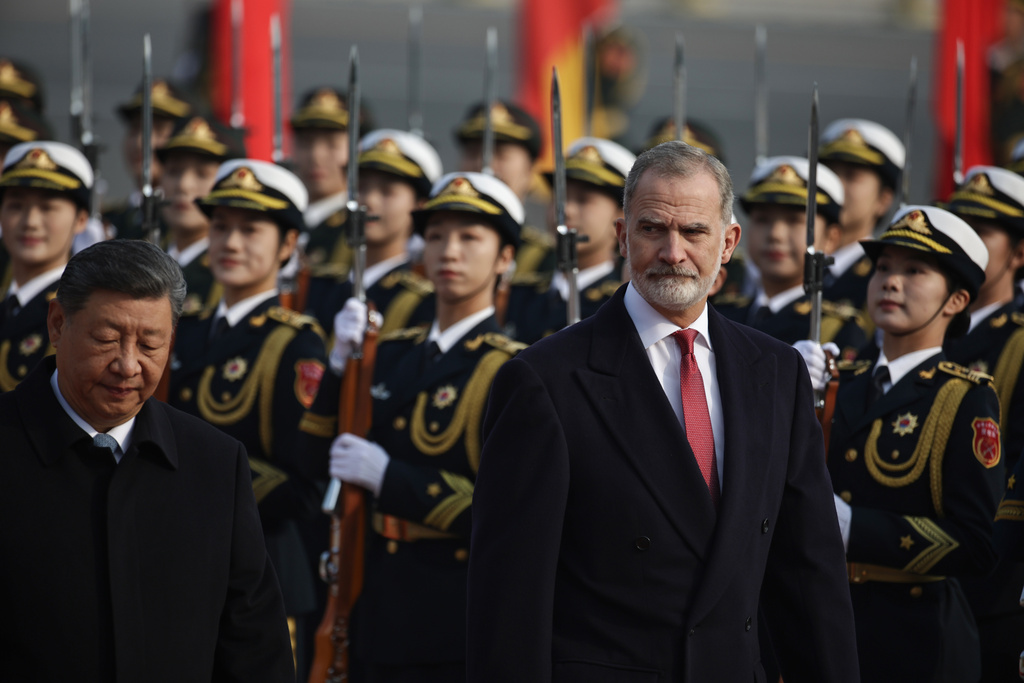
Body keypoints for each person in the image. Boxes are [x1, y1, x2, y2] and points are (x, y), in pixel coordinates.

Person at [467, 140, 859, 682]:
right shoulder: (545, 380)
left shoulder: (775, 372)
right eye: (653, 229)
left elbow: (809, 572)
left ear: (728, 242)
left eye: (694, 232)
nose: (673, 252)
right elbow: (509, 597)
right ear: (623, 236)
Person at [0, 239, 293, 681]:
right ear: (58, 325)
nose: (128, 365)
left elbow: (254, 643)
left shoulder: (213, 462)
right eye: (107, 339)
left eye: (150, 344)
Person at [298, 171, 525, 682]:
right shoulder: (391, 351)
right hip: (371, 595)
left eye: (470, 237)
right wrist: (337, 367)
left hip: (449, 609)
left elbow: (506, 508)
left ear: (505, 258)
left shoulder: (513, 370)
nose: (449, 250)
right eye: (439, 234)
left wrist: (389, 478)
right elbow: (312, 460)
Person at [817, 205, 1003, 682]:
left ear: (957, 300)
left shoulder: (965, 398)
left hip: (917, 637)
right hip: (828, 623)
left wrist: (855, 528)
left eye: (914, 271)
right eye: (883, 268)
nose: (890, 282)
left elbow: (976, 543)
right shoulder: (841, 383)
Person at [168, 158, 326, 679]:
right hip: (177, 554)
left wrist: (188, 474)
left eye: (250, 229)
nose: (230, 242)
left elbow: (302, 485)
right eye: (220, 227)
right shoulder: (182, 328)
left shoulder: (294, 341)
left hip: (263, 566)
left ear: (287, 246)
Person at [943, 165, 1024, 682]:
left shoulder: (1016, 339)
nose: (968, 241)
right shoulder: (923, 326)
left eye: (985, 231)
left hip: (988, 577)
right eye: (960, 226)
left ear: (1019, 253)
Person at [716, 156, 868, 360]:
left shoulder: (831, 328)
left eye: (794, 221)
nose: (775, 234)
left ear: (831, 238)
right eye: (762, 219)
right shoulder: (720, 312)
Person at [305, 128, 440, 336]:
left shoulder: (421, 302)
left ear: (419, 206)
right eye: (362, 188)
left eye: (387, 192)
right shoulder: (318, 285)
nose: (369, 201)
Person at [504, 136, 634, 343]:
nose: (567, 211)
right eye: (560, 197)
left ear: (620, 217)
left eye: (583, 200)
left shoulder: (623, 303)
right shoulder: (516, 294)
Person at [0, 141, 91, 393]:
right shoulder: (6, 304)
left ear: (81, 219)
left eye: (47, 208)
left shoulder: (81, 312)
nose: (30, 222)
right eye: (16, 206)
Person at [156, 114, 246, 314]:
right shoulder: (145, 254)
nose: (183, 185)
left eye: (202, 174)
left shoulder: (232, 272)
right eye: (174, 171)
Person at [455, 99, 553, 278]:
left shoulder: (547, 261)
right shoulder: (426, 251)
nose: (485, 165)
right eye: (473, 153)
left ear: (530, 170)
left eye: (501, 154)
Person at [819, 118, 905, 311]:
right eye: (828, 173)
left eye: (851, 176)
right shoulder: (787, 264)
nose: (834, 186)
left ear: (884, 199)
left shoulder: (882, 278)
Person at [102, 79, 191, 241]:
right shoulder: (108, 220)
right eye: (135, 128)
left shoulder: (188, 222)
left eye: (158, 130)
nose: (140, 142)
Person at [290, 86, 357, 276]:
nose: (316, 156)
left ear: (356, 149)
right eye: (306, 143)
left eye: (332, 144)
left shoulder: (357, 229)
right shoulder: (285, 218)